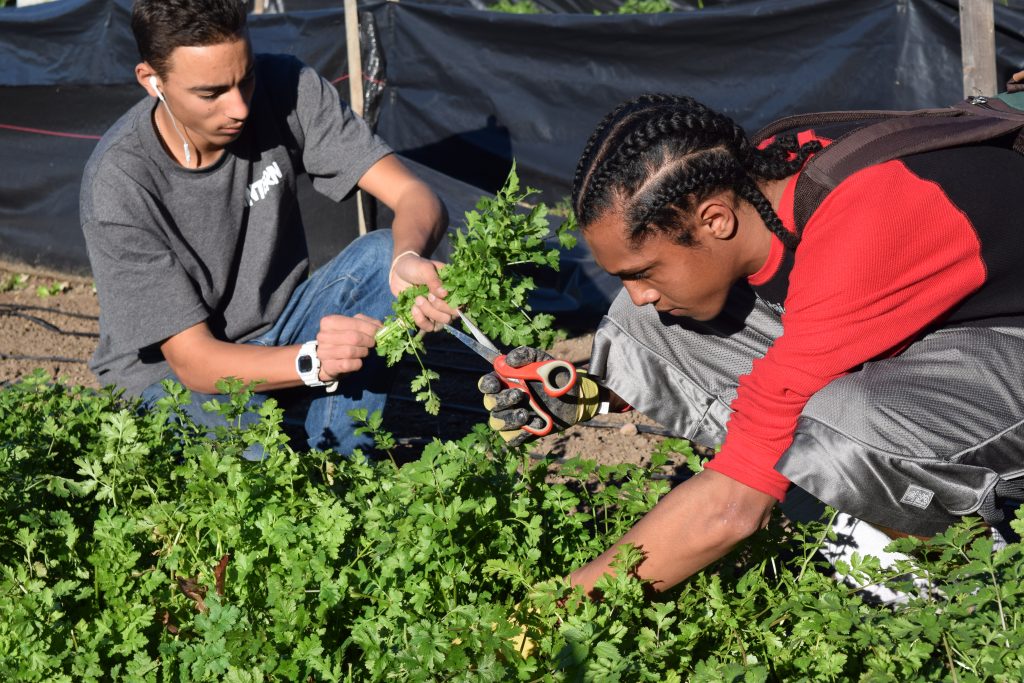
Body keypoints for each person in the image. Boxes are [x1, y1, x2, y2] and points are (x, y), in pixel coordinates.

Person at [479, 93, 1024, 596]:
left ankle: (968, 589)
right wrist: (598, 397)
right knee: (639, 325)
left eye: (643, 270)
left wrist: (555, 616)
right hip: (951, 340)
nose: (638, 292)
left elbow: (732, 508)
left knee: (842, 423)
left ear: (714, 219)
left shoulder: (870, 221)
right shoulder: (757, 182)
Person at [81, 0, 456, 456]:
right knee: (263, 461)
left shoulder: (286, 87)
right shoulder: (120, 183)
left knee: (382, 258)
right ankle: (299, 445)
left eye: (246, 78)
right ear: (152, 81)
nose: (239, 106)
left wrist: (407, 258)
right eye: (211, 93)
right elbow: (195, 363)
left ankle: (344, 457)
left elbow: (416, 197)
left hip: (282, 328)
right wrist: (314, 362)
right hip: (172, 379)